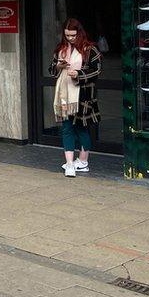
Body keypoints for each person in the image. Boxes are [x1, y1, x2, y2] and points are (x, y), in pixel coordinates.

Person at [50, 18, 101, 178]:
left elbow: (97, 70)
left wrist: (79, 74)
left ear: (79, 33)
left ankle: (83, 162)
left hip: (83, 95)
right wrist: (58, 66)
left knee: (81, 128)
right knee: (67, 127)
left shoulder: (90, 49)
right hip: (64, 93)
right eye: (67, 35)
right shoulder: (61, 48)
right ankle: (70, 164)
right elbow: (52, 69)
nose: (70, 38)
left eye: (73, 35)